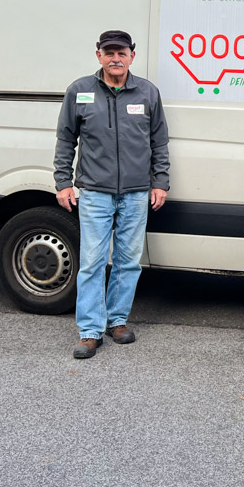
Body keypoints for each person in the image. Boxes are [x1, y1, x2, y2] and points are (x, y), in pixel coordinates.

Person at [54, 30, 170, 359]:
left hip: (136, 192)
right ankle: (90, 331)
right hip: (94, 192)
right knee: (91, 263)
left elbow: (159, 141)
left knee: (128, 262)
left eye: (121, 52)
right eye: (109, 53)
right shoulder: (80, 91)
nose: (115, 58)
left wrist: (160, 181)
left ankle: (117, 321)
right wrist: (63, 181)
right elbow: (65, 140)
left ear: (132, 55)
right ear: (99, 56)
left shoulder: (147, 92)